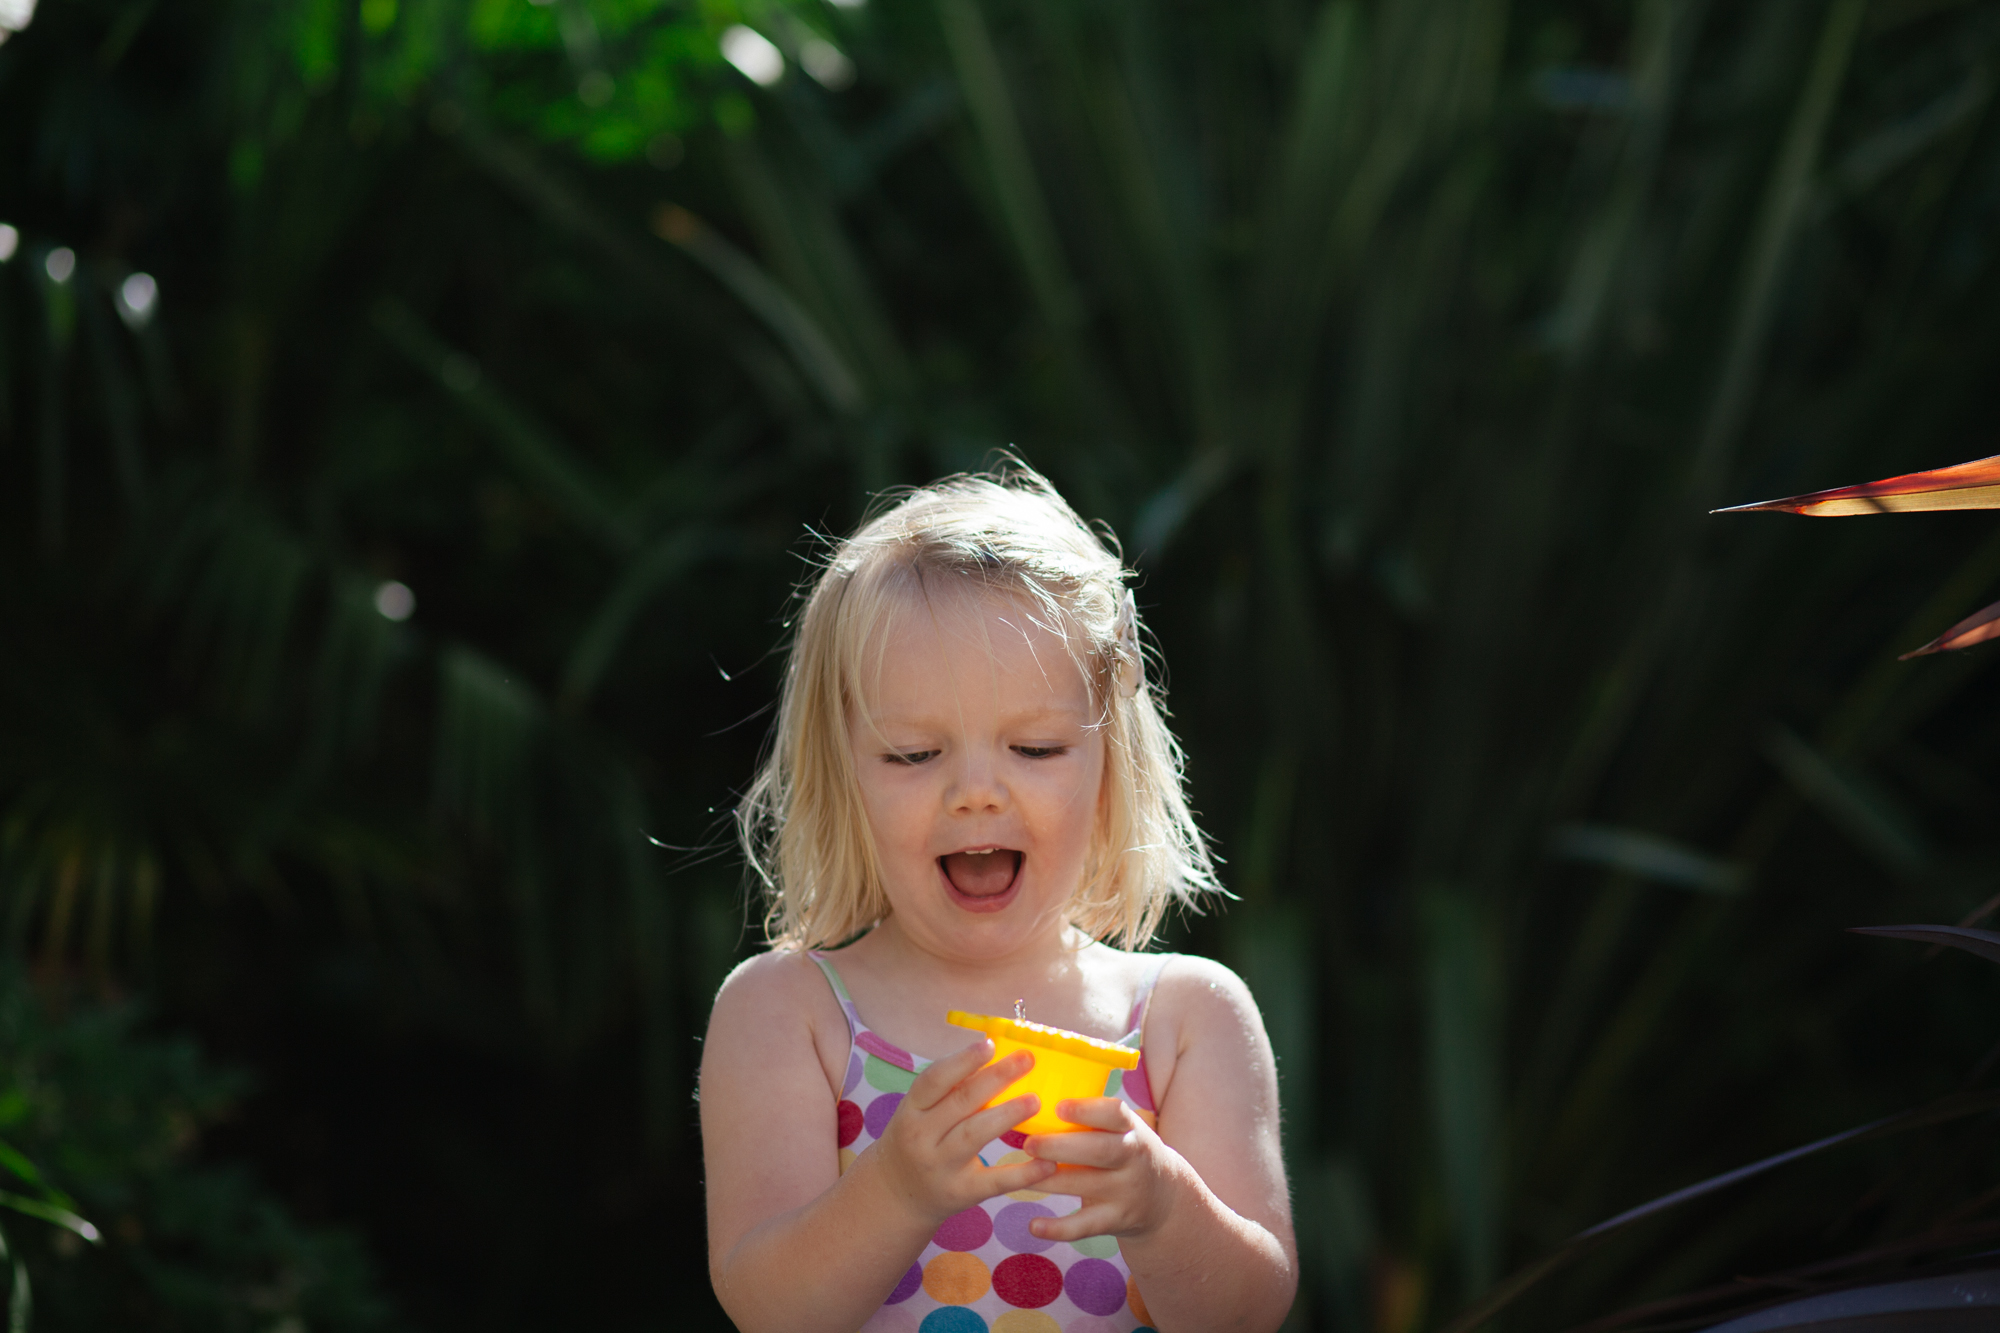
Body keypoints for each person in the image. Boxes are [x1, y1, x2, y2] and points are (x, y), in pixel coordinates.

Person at [701, 466, 1297, 1332]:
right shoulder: (787, 1013)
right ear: (843, 773)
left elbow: (1248, 1314)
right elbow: (768, 1308)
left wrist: (1160, 1203)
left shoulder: (1185, 1019)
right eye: (913, 754)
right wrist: (896, 1187)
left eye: (1035, 746)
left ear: (1108, 766)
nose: (976, 793)